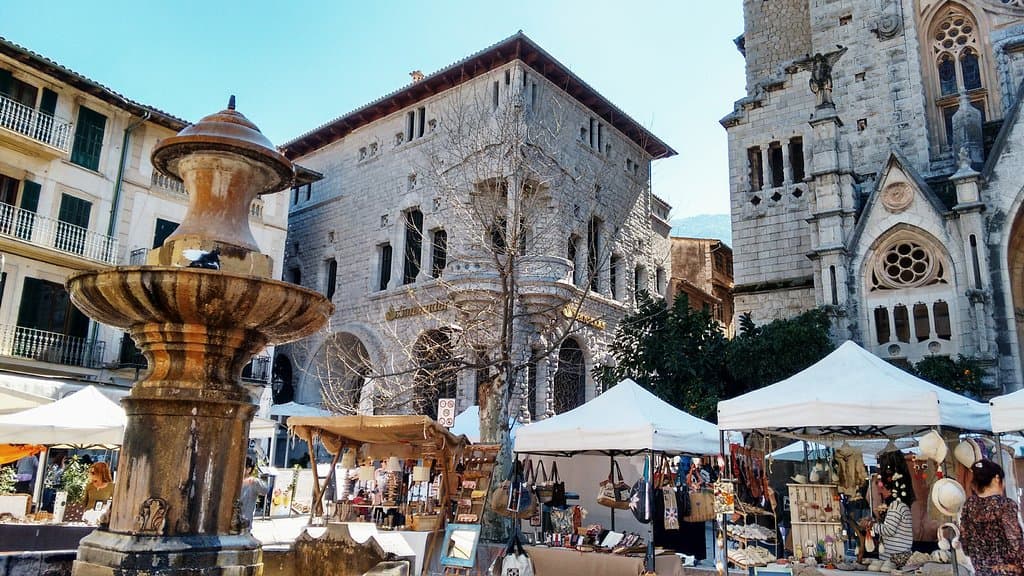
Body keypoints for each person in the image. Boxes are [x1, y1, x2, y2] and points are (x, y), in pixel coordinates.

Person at [960, 459, 1024, 576]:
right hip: (1007, 570)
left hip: (981, 570)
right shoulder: (1005, 505)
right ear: (997, 478)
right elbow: (1014, 540)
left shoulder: (969, 505)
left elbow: (965, 544)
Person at [864, 473, 914, 564]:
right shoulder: (894, 505)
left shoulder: (896, 506)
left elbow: (889, 530)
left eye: (879, 484)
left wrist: (871, 525)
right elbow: (889, 526)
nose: (878, 489)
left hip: (896, 558)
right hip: (891, 558)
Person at [239, 457, 268, 529]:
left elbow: (265, 490)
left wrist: (255, 480)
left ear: (248, 469)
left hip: (244, 526)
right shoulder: (233, 480)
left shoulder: (253, 483)